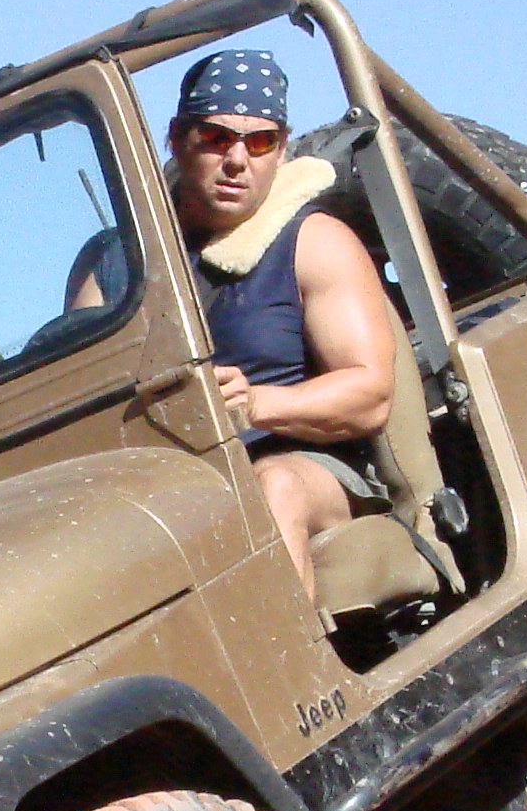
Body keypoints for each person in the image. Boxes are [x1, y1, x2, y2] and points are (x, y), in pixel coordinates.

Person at [165, 49, 396, 597]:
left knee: (272, 487)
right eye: (216, 137)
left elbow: (371, 395)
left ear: (282, 149)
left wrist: (255, 404)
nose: (237, 160)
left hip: (302, 463)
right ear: (177, 139)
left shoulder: (313, 243)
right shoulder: (121, 262)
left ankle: (287, 654)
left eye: (260, 142)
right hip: (173, 480)